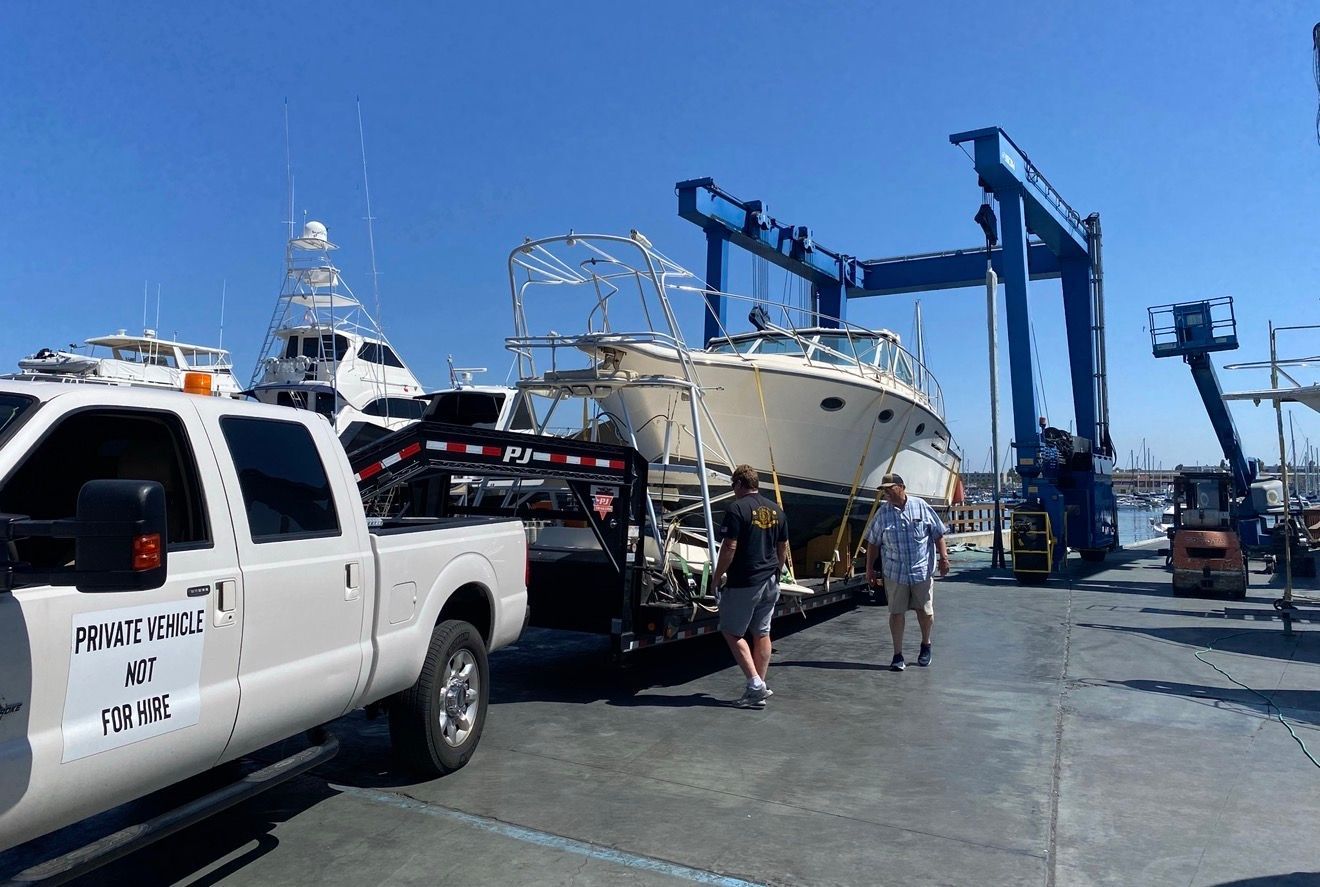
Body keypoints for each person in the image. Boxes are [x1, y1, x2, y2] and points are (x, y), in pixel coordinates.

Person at [710, 464, 789, 708]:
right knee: (762, 633)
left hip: (745, 580)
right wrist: (777, 570)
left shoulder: (736, 508)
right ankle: (758, 688)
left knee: (732, 631)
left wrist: (717, 576)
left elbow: (729, 547)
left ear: (738, 484)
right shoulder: (777, 510)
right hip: (770, 580)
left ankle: (755, 684)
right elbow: (782, 546)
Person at [864, 473, 949, 671]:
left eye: (889, 489)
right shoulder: (882, 514)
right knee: (896, 613)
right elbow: (873, 543)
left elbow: (938, 534)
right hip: (895, 572)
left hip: (921, 570)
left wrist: (944, 558)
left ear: (901, 487)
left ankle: (926, 645)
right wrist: (869, 569)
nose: (886, 493)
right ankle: (897, 655)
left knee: (925, 611)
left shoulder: (921, 506)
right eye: (883, 490)